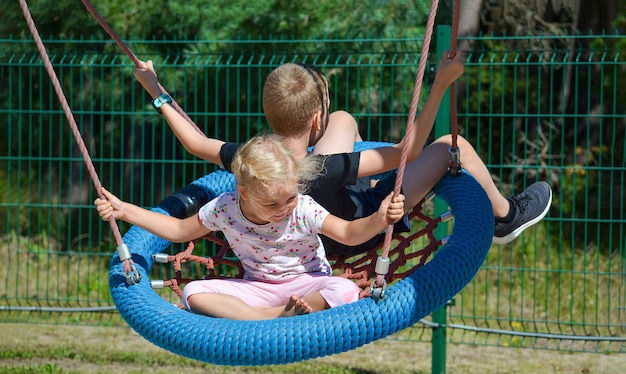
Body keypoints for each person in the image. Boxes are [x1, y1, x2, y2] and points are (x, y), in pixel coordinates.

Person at [133, 53, 552, 255]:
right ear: (316, 119)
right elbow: (411, 149)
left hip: (319, 211)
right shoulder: (326, 169)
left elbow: (194, 142)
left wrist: (155, 90)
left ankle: (359, 172)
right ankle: (506, 218)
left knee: (346, 119)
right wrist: (440, 84)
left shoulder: (252, 157)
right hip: (352, 232)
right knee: (451, 147)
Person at [95, 134, 405, 320]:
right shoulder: (225, 209)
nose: (284, 209)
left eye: (290, 198)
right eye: (272, 204)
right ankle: (268, 317)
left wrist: (379, 219)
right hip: (256, 289)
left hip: (306, 283)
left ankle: (269, 316)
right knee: (194, 292)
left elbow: (349, 234)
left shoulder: (303, 208)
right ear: (243, 192)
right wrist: (125, 211)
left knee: (344, 288)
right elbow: (178, 231)